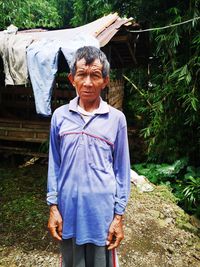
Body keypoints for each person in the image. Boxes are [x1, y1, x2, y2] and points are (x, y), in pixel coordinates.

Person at [47, 46, 130, 267]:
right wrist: (53, 207)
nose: (88, 83)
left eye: (95, 75)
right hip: (69, 213)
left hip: (101, 216)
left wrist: (118, 217)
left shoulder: (116, 119)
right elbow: (54, 164)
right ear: (72, 78)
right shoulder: (59, 117)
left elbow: (122, 170)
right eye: (82, 74)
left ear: (105, 80)